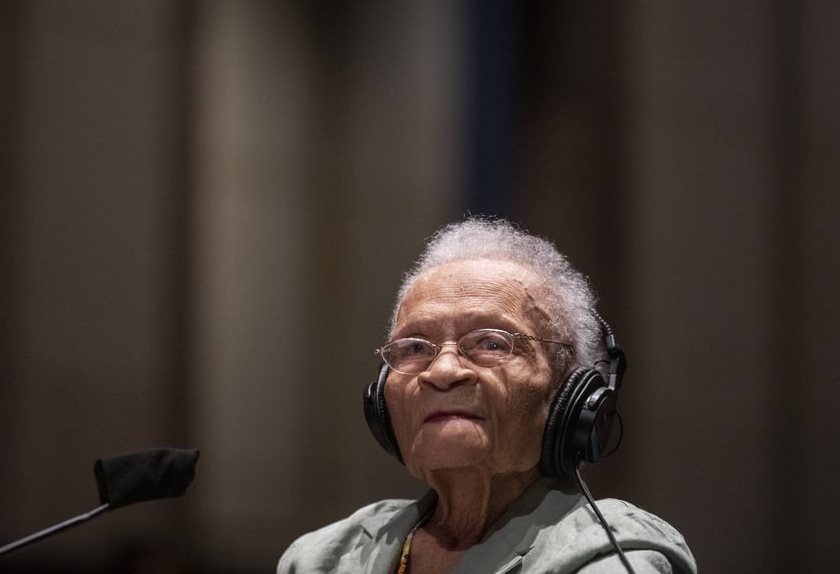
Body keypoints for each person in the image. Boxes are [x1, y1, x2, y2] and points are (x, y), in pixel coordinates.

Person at [277, 217, 696, 573]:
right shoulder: (323, 558)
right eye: (415, 348)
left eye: (491, 344)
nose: (442, 372)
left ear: (571, 395)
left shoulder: (616, 552)